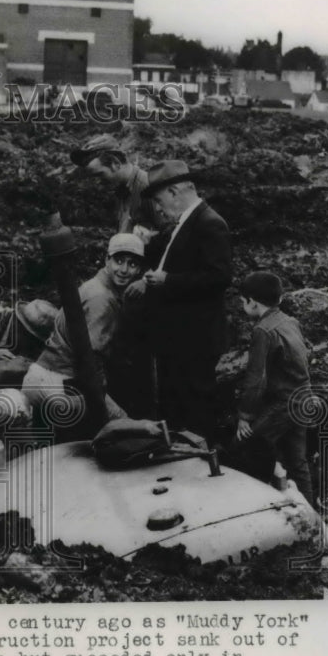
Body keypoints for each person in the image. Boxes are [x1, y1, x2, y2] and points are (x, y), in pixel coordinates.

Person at [125, 160, 232, 442]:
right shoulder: (186, 222)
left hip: (196, 339)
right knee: (177, 401)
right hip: (180, 338)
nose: (158, 210)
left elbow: (219, 277)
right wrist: (150, 243)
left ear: (174, 192)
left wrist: (167, 281)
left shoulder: (210, 223)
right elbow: (176, 251)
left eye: (159, 201)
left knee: (196, 405)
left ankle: (201, 460)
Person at [22, 233, 147, 426]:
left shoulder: (92, 285)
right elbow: (89, 360)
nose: (124, 270)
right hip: (58, 382)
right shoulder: (103, 300)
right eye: (119, 261)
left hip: (40, 376)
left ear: (139, 269)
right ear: (107, 259)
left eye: (132, 264)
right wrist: (105, 403)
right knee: (125, 428)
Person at [235, 271, 316, 504]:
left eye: (242, 301)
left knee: (246, 446)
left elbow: (256, 379)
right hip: (303, 398)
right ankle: (310, 511)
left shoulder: (262, 331)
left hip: (284, 405)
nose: (242, 305)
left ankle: (255, 504)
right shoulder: (291, 321)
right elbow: (306, 353)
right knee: (297, 461)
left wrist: (245, 416)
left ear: (251, 301)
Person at [69, 131, 154, 236]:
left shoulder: (147, 188)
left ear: (116, 163)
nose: (98, 181)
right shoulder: (122, 190)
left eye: (100, 174)